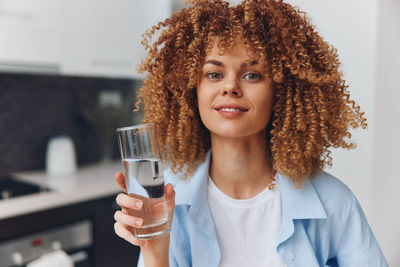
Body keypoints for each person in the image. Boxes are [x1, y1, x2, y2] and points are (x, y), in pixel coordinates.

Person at [113, 0, 388, 266]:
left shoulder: (335, 202)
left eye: (252, 75)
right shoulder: (166, 203)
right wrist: (155, 253)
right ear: (191, 90)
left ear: (281, 91)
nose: (230, 87)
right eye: (213, 74)